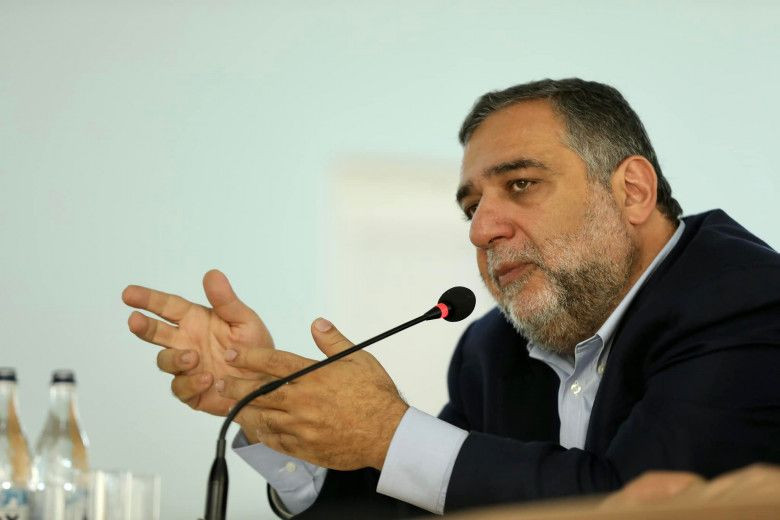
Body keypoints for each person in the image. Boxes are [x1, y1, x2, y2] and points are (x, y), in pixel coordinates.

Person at [122, 79, 780, 518]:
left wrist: (387, 434)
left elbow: (640, 505)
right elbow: (433, 499)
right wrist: (278, 413)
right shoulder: (492, 349)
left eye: (520, 185)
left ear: (632, 190)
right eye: (471, 206)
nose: (481, 229)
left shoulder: (747, 299)